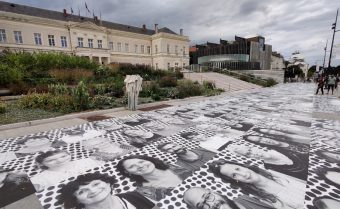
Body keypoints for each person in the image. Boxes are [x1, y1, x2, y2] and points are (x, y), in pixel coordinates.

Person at [208, 160, 305, 209]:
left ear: (242, 166)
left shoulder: (275, 171)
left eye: (238, 169)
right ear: (235, 181)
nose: (244, 174)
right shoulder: (262, 199)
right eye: (234, 175)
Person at [59, 173, 154, 209]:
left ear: (108, 183)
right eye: (81, 192)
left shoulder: (135, 195)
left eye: (96, 184)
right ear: (76, 200)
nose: (92, 190)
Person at [116, 155, 191, 201]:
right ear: (127, 172)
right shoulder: (145, 191)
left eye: (141, 162)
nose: (140, 166)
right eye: (132, 166)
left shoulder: (171, 166)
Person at [227, 143, 308, 180]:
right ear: (248, 158)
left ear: (253, 146)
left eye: (250, 150)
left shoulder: (279, 148)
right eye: (248, 154)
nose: (253, 153)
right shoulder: (269, 168)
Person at [31, 150, 100, 191]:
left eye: (63, 156)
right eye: (51, 160)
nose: (60, 160)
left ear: (69, 155)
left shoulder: (86, 162)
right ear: (41, 164)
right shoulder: (40, 179)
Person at [183, 187, 275, 209]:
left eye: (207, 197)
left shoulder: (245, 199)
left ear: (216, 192)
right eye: (201, 205)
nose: (211, 204)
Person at [243, 135, 309, 154]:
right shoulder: (283, 153)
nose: (265, 140)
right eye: (259, 141)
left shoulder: (288, 137)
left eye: (260, 138)